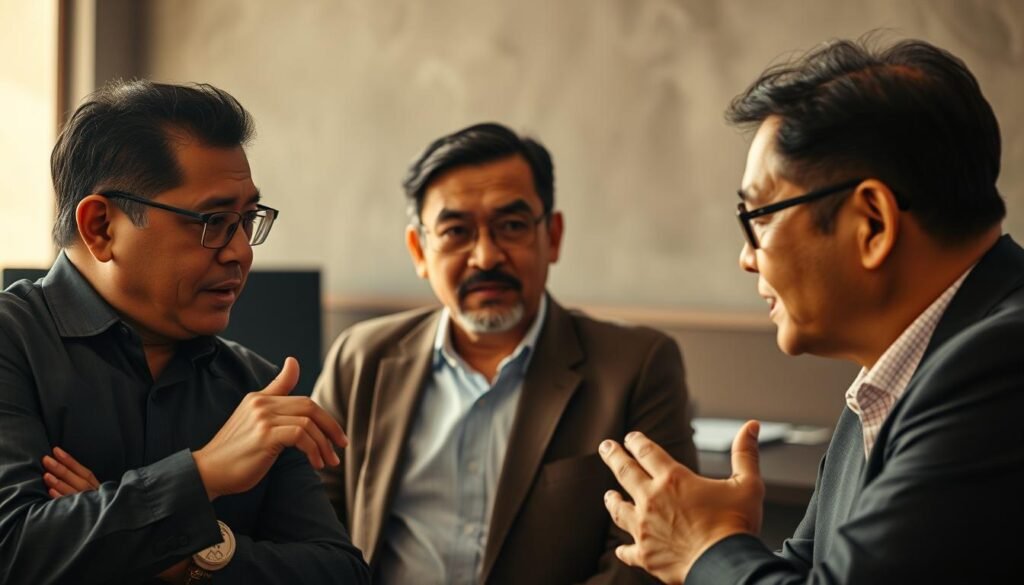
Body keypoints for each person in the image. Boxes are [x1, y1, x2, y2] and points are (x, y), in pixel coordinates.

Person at [597, 36, 1024, 584]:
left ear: (871, 222)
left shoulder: (999, 366)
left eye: (761, 217)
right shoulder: (888, 377)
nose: (747, 258)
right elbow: (813, 570)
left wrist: (706, 549)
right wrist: (723, 544)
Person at [0, 80, 370, 584]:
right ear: (101, 227)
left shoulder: (258, 386)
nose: (241, 251)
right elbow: (14, 551)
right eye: (213, 221)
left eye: (247, 221)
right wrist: (204, 474)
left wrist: (183, 554)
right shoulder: (12, 343)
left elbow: (340, 574)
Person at [312, 122, 698, 584]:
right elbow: (311, 526)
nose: (486, 257)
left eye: (511, 226)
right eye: (456, 231)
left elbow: (647, 559)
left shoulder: (638, 366)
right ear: (419, 249)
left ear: (552, 236)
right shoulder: (360, 359)